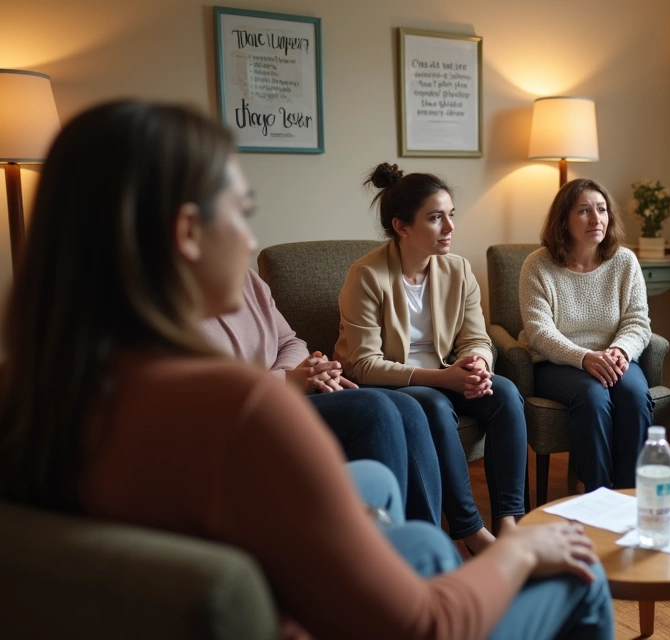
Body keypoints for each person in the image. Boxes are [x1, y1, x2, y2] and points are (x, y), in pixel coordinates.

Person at [0, 100, 613, 639]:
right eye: (242, 211)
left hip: (252, 579)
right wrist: (524, 552)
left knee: (419, 536)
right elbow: (429, 625)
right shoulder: (241, 408)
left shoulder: (36, 391)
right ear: (187, 232)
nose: (250, 242)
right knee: (583, 578)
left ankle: (435, 538)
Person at [334, 166, 527, 554]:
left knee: (505, 394)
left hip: (447, 374)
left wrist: (477, 365)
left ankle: (509, 521)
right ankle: (470, 530)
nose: (450, 227)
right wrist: (445, 379)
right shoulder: (367, 276)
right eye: (436, 218)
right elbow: (364, 364)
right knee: (436, 407)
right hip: (392, 384)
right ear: (402, 227)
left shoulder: (457, 269)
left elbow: (476, 336)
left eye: (451, 214)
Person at [201, 268, 444, 525]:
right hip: (243, 414)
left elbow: (290, 342)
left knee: (408, 407)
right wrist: (285, 382)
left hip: (286, 395)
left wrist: (306, 373)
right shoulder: (163, 298)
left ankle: (425, 546)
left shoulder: (247, 278)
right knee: (372, 409)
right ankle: (386, 554)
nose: (250, 242)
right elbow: (200, 390)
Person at [518, 178, 654, 491]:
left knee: (634, 396)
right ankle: (598, 493)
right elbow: (539, 332)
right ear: (563, 221)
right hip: (557, 363)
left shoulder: (624, 261)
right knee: (593, 397)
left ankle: (630, 493)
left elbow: (638, 321)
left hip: (613, 357)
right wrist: (584, 358)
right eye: (584, 211)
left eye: (602, 210)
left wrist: (619, 351)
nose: (596, 219)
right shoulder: (537, 265)